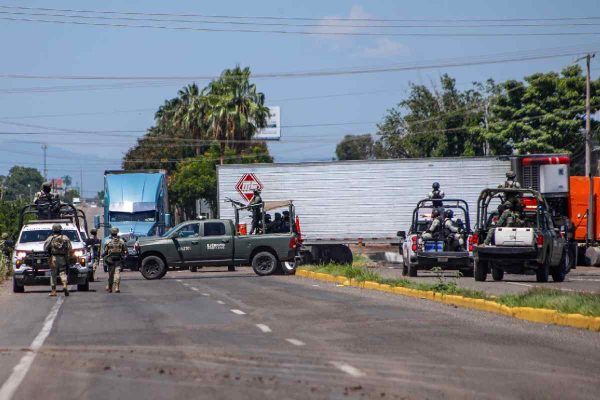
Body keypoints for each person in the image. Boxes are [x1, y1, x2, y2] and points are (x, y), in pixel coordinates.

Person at [43, 224, 72, 297]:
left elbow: (45, 248)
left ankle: (54, 291)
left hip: (54, 258)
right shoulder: (65, 238)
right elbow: (70, 248)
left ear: (53, 230)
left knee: (53, 274)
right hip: (62, 258)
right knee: (63, 272)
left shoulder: (50, 238)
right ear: (60, 230)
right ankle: (65, 285)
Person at [103, 227, 128, 293]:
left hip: (110, 260)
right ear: (117, 232)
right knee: (117, 273)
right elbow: (125, 250)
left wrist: (103, 256)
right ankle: (117, 288)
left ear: (111, 233)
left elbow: (105, 252)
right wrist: (124, 256)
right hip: (118, 259)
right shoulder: (121, 241)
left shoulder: (108, 241)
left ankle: (110, 288)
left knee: (111, 274)